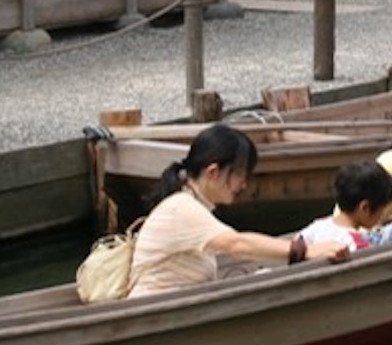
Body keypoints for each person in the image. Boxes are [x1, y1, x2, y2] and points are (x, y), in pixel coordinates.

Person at [127, 125, 351, 298]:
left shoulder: (191, 204)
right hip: (155, 318)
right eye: (240, 174)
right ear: (213, 172)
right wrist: (305, 251)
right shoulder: (182, 208)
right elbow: (236, 244)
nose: (243, 184)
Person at [297, 161, 392, 250]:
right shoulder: (357, 245)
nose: (382, 214)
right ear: (365, 208)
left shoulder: (317, 227)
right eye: (382, 209)